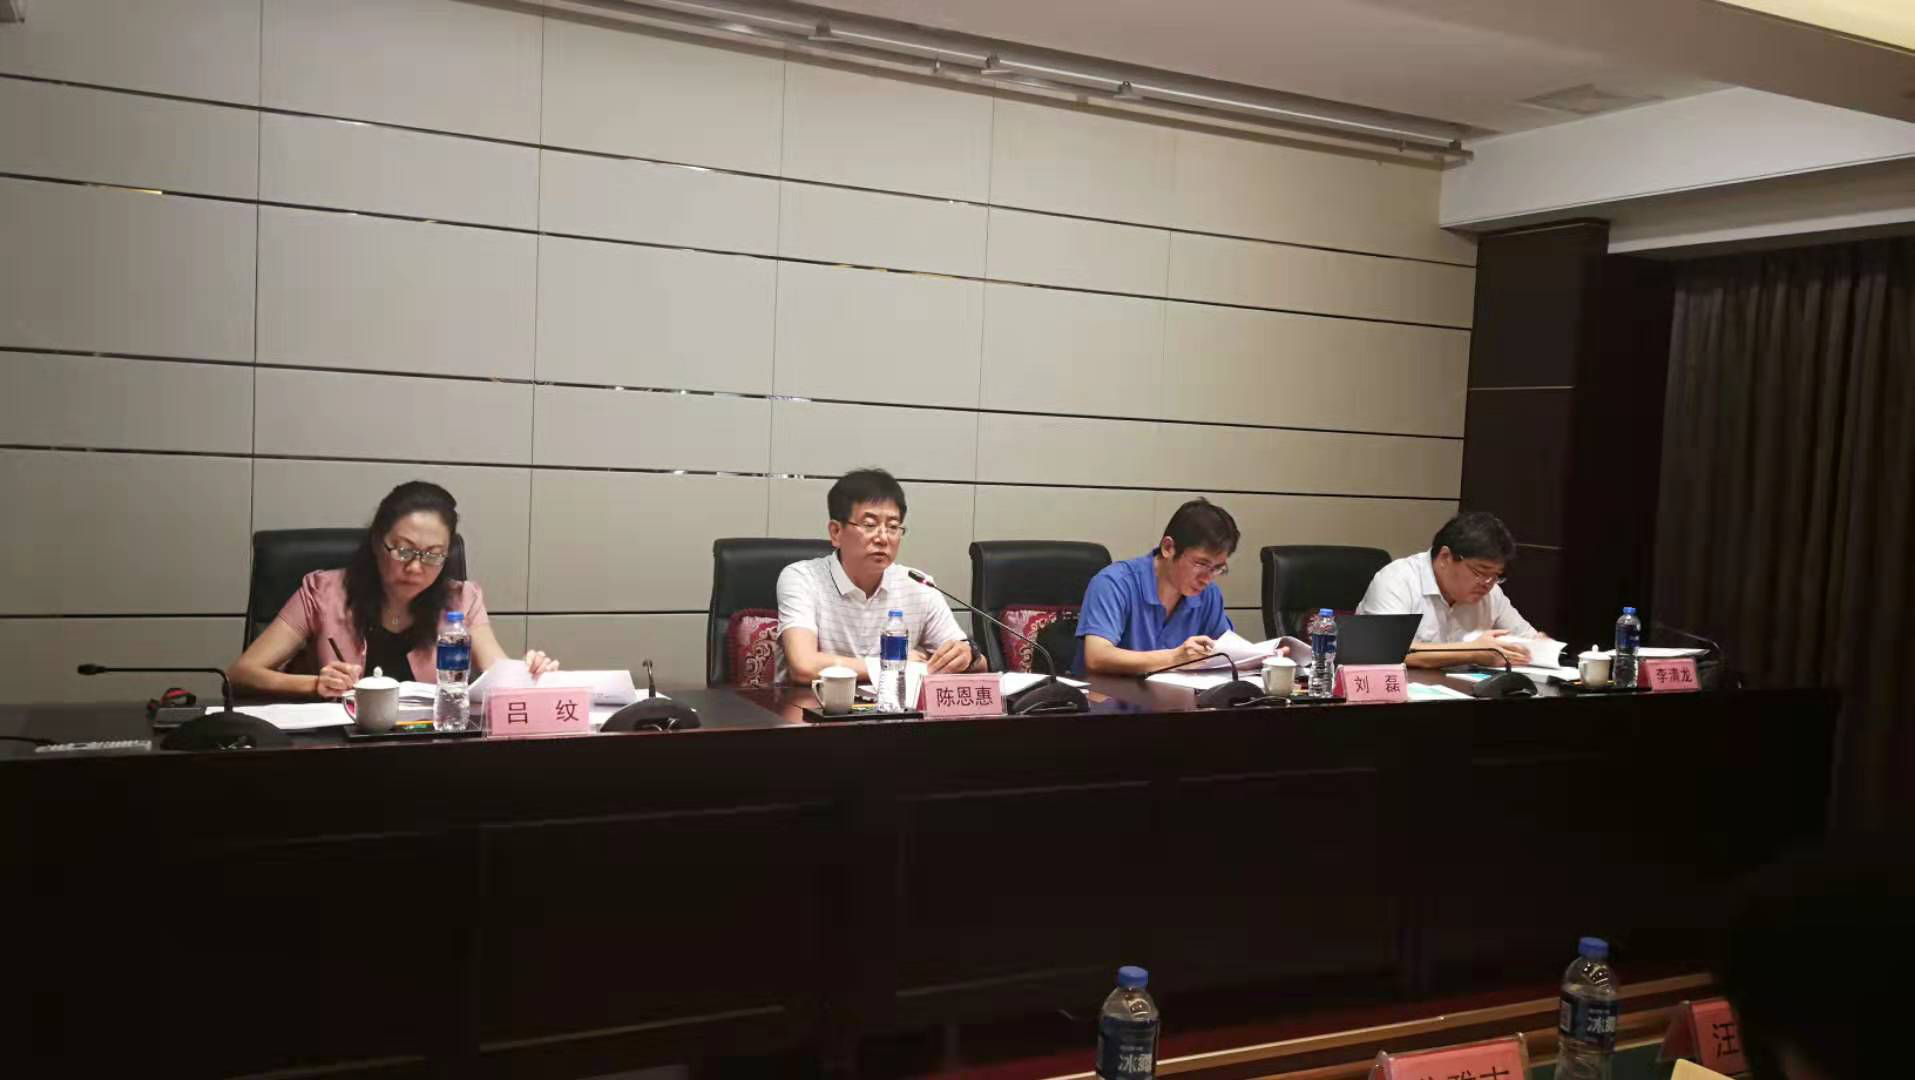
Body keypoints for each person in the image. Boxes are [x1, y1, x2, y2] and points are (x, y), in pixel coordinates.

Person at [229, 480, 558, 698]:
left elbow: (497, 671)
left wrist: (528, 673)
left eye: (433, 555)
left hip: (430, 749)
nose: (415, 567)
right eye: (403, 550)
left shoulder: (462, 599)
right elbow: (241, 673)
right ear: (377, 542)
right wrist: (316, 684)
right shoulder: (322, 592)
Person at [776, 468, 984, 684]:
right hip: (810, 703)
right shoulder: (802, 578)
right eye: (869, 525)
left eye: (893, 527)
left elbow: (980, 664)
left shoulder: (919, 585)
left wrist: (968, 656)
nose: (883, 538)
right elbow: (804, 665)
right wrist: (896, 664)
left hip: (893, 704)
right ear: (836, 532)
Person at [1356, 511, 1549, 668]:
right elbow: (1386, 649)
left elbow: (1531, 640)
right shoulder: (1398, 579)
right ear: (1445, 557)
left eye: (1497, 575)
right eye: (1480, 572)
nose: (1488, 583)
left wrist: (1544, 649)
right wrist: (1473, 652)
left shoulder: (1491, 592)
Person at [1077, 498, 1241, 676]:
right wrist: (1174, 658)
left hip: (1177, 693)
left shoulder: (1208, 594)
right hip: (1108, 692)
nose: (1207, 579)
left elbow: (1227, 654)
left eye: (1217, 568)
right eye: (1201, 564)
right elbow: (1097, 657)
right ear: (1168, 547)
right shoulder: (1114, 583)